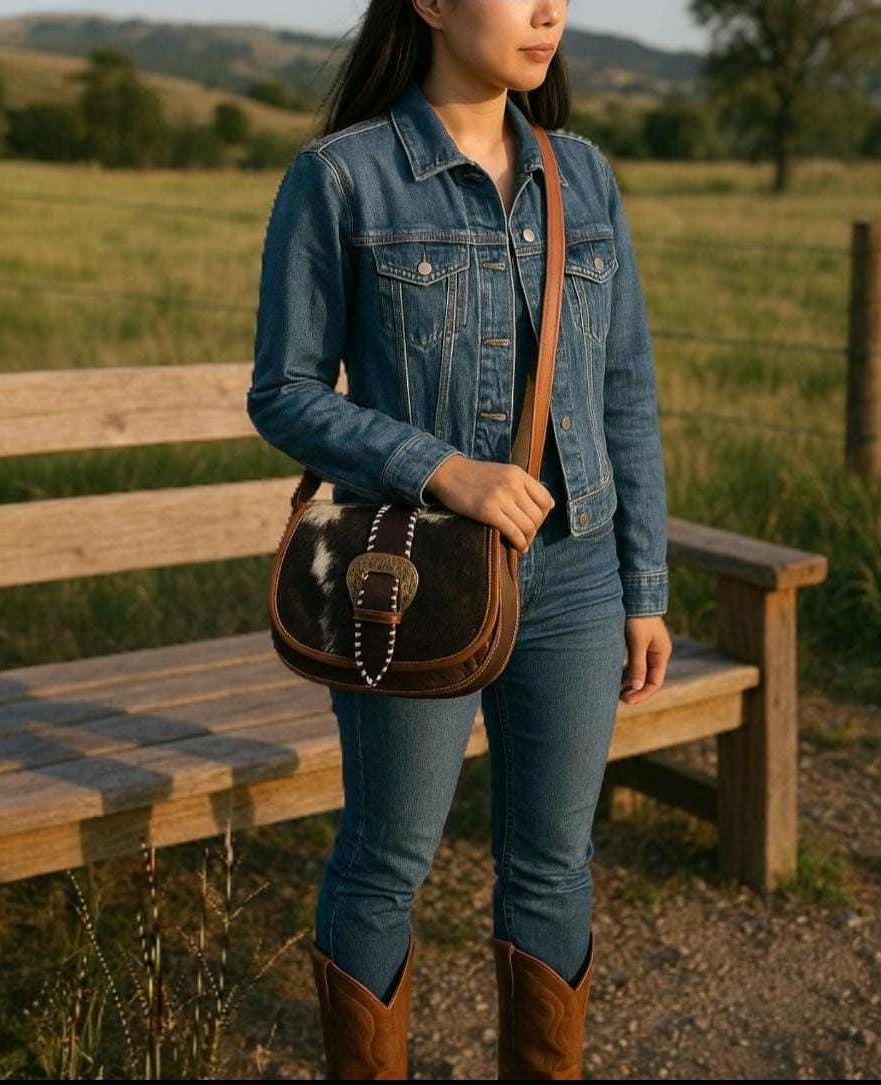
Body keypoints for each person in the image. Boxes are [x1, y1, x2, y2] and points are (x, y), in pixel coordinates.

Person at [247, 0, 672, 1077]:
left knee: (554, 865)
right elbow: (285, 392)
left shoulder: (585, 175)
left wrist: (644, 586)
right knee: (387, 862)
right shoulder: (341, 176)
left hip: (575, 574)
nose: (549, 12)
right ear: (431, 3)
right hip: (410, 570)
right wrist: (443, 469)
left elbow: (625, 395)